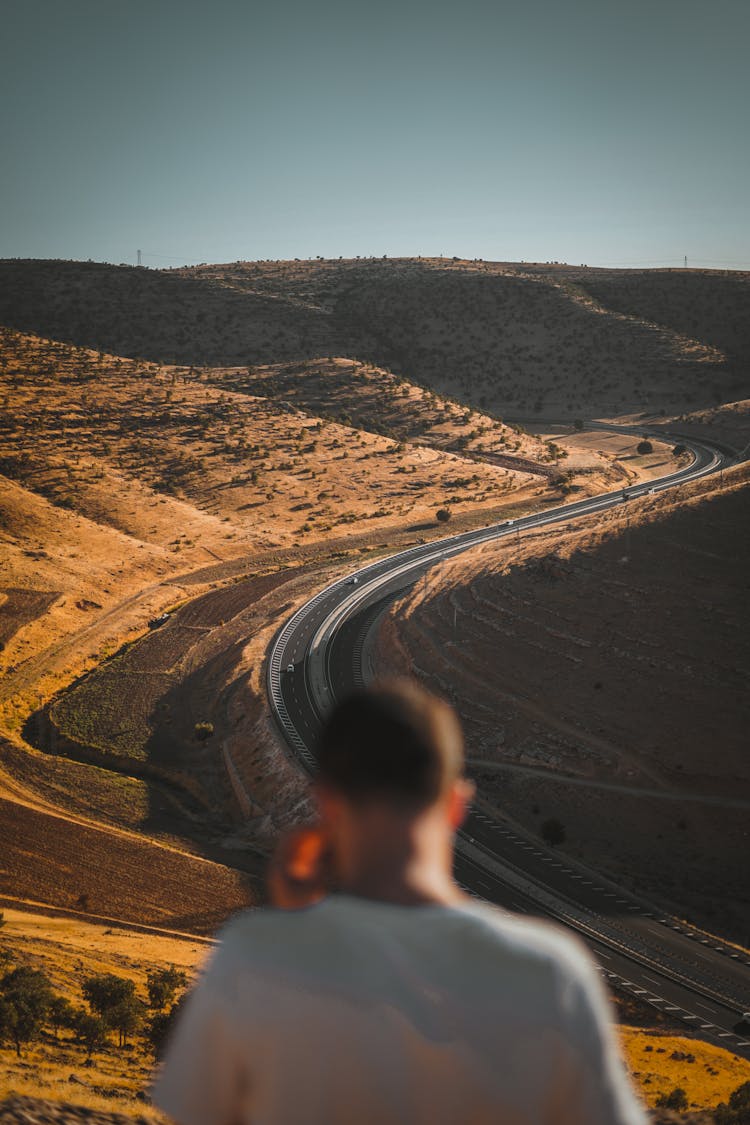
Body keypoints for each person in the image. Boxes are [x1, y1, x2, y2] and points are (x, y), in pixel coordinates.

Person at [153, 680, 646, 1125]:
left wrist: (296, 927)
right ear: (456, 804)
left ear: (325, 802)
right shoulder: (551, 971)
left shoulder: (252, 959)